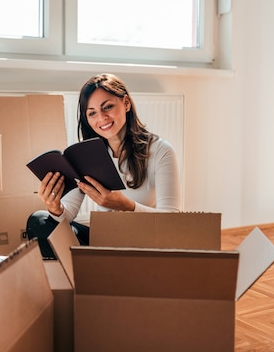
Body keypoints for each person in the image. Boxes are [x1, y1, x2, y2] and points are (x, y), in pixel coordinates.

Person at [26, 73, 182, 258]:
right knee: (39, 220)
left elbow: (172, 221)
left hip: (143, 244)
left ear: (126, 103)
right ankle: (83, 277)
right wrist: (55, 208)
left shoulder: (160, 151)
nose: (102, 118)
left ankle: (97, 274)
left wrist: (127, 206)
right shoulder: (86, 155)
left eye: (108, 107)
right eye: (92, 113)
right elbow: (67, 215)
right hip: (105, 241)